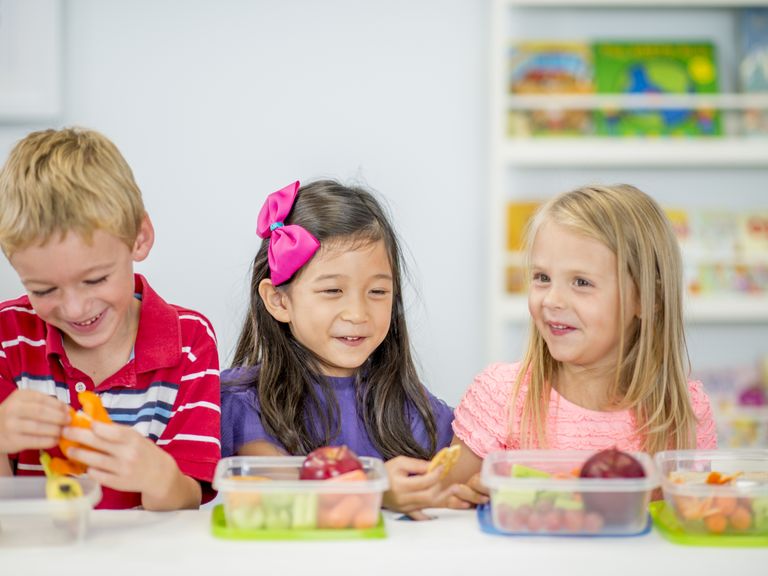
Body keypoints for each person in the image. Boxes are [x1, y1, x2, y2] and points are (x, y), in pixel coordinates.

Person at [442, 184, 717, 508]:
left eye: (581, 282)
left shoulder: (682, 412)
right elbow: (442, 504)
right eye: (542, 277)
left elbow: (693, 519)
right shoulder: (501, 395)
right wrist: (468, 497)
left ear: (646, 298)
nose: (552, 300)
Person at [0, 127, 221, 510]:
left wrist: (157, 475)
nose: (74, 308)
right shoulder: (9, 336)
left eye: (95, 279)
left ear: (139, 238)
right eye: (43, 290)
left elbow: (187, 500)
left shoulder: (189, 340)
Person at [221, 180, 454, 519]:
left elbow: (458, 479)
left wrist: (460, 488)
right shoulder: (245, 404)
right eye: (332, 291)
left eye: (377, 292)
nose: (358, 313)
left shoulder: (414, 409)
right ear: (279, 300)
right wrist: (375, 489)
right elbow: (280, 493)